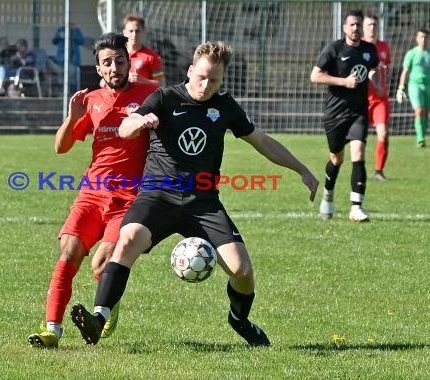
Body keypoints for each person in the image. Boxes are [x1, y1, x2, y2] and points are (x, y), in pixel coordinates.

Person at [69, 40, 319, 347]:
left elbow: (262, 141)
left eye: (214, 80)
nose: (205, 84)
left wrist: (301, 169)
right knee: (128, 239)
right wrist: (139, 122)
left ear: (222, 80)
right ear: (190, 71)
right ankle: (99, 318)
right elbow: (125, 126)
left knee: (242, 271)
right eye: (201, 76)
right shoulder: (164, 97)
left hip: (202, 203)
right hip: (157, 196)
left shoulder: (225, 106)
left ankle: (239, 319)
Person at [27, 32, 158, 349]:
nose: (114, 67)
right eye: (107, 63)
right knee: (68, 255)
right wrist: (72, 116)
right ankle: (52, 332)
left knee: (101, 264)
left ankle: (107, 304)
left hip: (128, 198)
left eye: (119, 61)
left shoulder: (150, 93)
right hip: (91, 194)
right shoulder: (92, 100)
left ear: (129, 63)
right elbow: (61, 147)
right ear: (99, 69)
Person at [310, 10, 381, 222]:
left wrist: (375, 79)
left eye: (359, 25)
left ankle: (356, 207)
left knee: (358, 152)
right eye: (352, 25)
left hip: (358, 111)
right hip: (335, 113)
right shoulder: (334, 48)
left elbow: (372, 68)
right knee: (336, 159)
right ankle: (328, 196)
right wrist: (344, 82)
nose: (356, 28)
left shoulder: (369, 49)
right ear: (344, 27)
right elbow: (315, 76)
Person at [363, 13, 392, 181]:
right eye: (369, 25)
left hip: (380, 100)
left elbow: (386, 67)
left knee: (383, 133)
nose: (372, 28)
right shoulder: (360, 47)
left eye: (374, 24)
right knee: (356, 138)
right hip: (360, 99)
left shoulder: (384, 47)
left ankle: (379, 171)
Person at [396, 28, 430, 148]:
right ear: (417, 38)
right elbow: (405, 71)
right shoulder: (412, 53)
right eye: (421, 37)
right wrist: (401, 88)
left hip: (428, 86)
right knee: (419, 110)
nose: (423, 39)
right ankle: (420, 138)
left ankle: (423, 135)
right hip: (415, 85)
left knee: (426, 112)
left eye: (425, 37)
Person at [122, 14, 165, 87]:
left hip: (143, 98)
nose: (134, 34)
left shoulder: (152, 57)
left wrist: (143, 81)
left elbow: (161, 84)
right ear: (124, 32)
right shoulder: (118, 54)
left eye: (137, 31)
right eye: (131, 31)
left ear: (143, 32)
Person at [51, 23, 85, 94]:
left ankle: (72, 93)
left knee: (72, 77)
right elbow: (54, 41)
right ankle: (61, 93)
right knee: (61, 76)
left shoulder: (76, 31)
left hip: (73, 59)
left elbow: (81, 41)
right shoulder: (60, 30)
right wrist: (60, 36)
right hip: (61, 59)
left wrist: (74, 33)